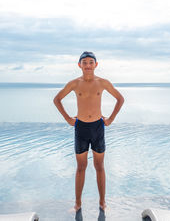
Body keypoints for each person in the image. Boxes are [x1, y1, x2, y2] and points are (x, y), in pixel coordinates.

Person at [53, 51, 124, 219]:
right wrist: (68, 119)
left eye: (91, 62)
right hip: (81, 129)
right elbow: (57, 99)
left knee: (99, 167)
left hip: (98, 128)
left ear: (96, 65)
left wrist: (111, 118)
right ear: (79, 65)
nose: (87, 65)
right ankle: (78, 203)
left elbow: (120, 99)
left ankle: (102, 203)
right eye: (84, 62)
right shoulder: (74, 84)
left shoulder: (103, 83)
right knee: (81, 168)